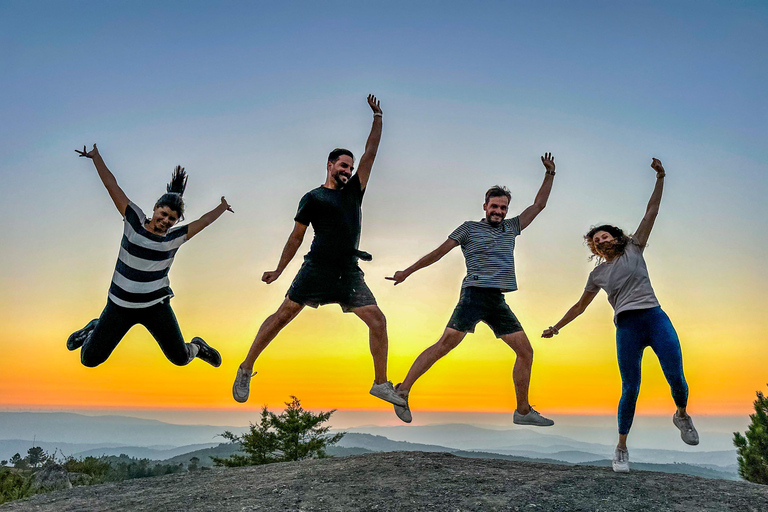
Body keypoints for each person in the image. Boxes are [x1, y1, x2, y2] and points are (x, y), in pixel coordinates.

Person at [232, 95, 405, 408]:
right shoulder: (312, 198)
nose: (348, 171)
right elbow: (296, 237)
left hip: (348, 272)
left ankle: (381, 384)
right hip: (317, 268)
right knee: (282, 316)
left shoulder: (354, 191)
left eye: (350, 168)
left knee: (378, 321)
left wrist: (378, 117)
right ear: (329, 165)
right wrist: (279, 270)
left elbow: (371, 153)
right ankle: (246, 368)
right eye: (342, 165)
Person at [542, 158, 698, 473]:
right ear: (595, 250)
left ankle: (681, 414)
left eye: (604, 237)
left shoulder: (635, 248)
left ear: (615, 237)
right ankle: (621, 447)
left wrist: (661, 178)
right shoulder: (597, 276)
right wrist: (556, 327)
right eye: (595, 242)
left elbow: (651, 212)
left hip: (655, 318)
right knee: (631, 388)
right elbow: (579, 306)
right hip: (627, 328)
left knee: (676, 377)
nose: (601, 242)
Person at [386, 153, 558, 426]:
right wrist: (407, 271)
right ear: (485, 206)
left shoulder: (512, 228)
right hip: (474, 294)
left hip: (496, 300)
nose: (499, 212)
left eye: (503, 208)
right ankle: (402, 390)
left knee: (526, 352)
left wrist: (549, 174)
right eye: (494, 207)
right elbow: (439, 252)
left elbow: (539, 205)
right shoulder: (468, 229)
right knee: (444, 345)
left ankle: (522, 411)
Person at [67, 144, 233, 368]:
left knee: (180, 358)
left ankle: (198, 347)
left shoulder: (174, 238)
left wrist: (222, 207)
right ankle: (94, 328)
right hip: (119, 306)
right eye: (164, 214)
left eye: (172, 219)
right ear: (155, 208)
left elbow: (202, 221)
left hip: (155, 306)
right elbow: (111, 185)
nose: (166, 221)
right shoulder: (133, 220)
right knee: (89, 359)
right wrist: (96, 157)